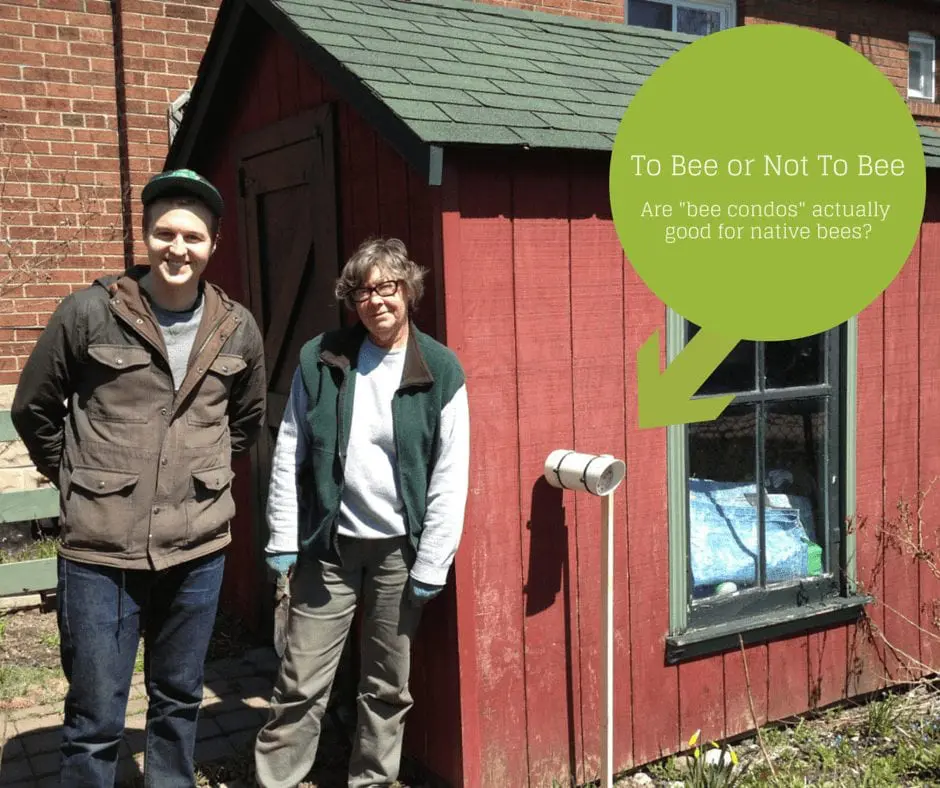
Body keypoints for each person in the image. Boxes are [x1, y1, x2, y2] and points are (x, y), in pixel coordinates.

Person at [11, 169, 266, 787]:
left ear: (214, 245)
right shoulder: (90, 312)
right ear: (146, 235)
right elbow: (34, 408)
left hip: (198, 547)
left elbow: (245, 423)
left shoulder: (237, 328)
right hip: (101, 549)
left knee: (179, 698)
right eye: (165, 233)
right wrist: (77, 477)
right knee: (96, 715)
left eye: (194, 237)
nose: (179, 249)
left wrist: (197, 476)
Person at [253, 237, 470, 788]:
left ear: (409, 291)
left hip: (400, 552)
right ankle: (277, 778)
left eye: (387, 287)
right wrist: (283, 536)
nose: (375, 301)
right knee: (301, 678)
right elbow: (289, 451)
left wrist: (432, 564)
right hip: (330, 545)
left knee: (386, 684)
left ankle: (372, 779)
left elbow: (450, 476)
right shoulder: (322, 358)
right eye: (363, 291)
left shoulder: (440, 369)